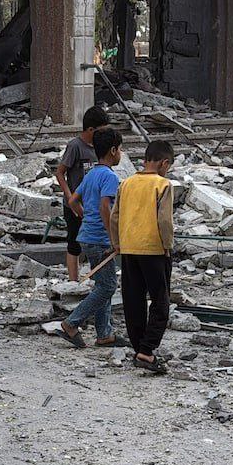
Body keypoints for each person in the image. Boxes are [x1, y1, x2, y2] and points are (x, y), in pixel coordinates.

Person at [110, 140, 175, 374]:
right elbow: (164, 220)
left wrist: (117, 243)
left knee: (133, 300)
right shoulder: (162, 184)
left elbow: (115, 216)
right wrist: (167, 245)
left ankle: (139, 347)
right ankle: (147, 351)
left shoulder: (126, 183)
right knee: (160, 301)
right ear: (164, 163)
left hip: (129, 249)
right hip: (154, 249)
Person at [58, 127, 124, 349]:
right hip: (99, 239)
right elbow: (106, 206)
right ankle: (71, 323)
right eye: (120, 149)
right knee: (108, 286)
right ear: (113, 151)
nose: (121, 153)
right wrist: (113, 238)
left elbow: (72, 200)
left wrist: (86, 216)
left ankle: (104, 333)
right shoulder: (110, 176)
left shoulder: (92, 174)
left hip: (86, 236)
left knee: (103, 283)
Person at [55, 106, 110, 281]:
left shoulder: (100, 147)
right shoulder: (75, 146)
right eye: (101, 131)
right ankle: (73, 281)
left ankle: (95, 277)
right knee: (74, 243)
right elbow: (60, 173)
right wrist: (71, 198)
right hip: (75, 204)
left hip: (93, 204)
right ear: (90, 129)